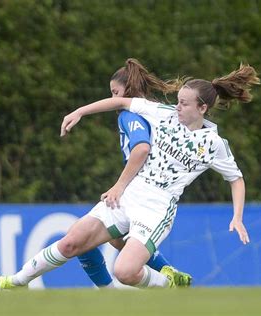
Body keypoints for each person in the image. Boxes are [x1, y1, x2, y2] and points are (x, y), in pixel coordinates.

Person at [0, 63, 257, 290]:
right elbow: (121, 102)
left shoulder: (213, 144)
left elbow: (236, 179)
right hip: (129, 193)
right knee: (70, 244)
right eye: (177, 100)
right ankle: (14, 282)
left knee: (125, 272)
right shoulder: (162, 114)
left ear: (202, 107)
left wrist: (237, 216)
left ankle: (168, 285)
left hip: (157, 206)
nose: (176, 106)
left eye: (183, 103)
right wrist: (80, 111)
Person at [76, 58, 191, 288]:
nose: (112, 98)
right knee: (119, 241)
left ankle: (112, 294)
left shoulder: (130, 115)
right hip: (150, 193)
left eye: (114, 92)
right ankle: (168, 272)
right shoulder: (153, 113)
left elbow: (141, 148)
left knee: (83, 243)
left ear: (126, 91)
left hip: (140, 193)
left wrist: (119, 186)